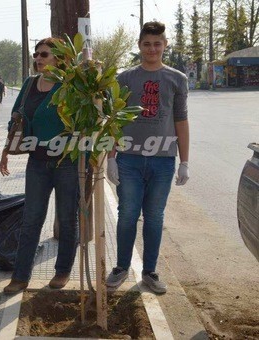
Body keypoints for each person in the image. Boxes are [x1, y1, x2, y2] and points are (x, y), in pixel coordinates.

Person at [105, 21, 190, 294]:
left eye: (157, 43)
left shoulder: (177, 79)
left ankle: (150, 272)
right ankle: (120, 267)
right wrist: (110, 155)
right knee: (127, 214)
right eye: (147, 44)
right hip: (128, 159)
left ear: (165, 45)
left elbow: (181, 120)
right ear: (139, 46)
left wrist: (185, 161)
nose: (152, 49)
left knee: (154, 216)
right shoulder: (125, 79)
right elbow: (115, 119)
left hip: (163, 160)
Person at [0, 38, 79, 295]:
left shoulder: (71, 85)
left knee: (67, 218)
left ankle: (63, 269)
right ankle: (21, 276)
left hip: (67, 161)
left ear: (58, 58)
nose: (38, 58)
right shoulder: (30, 83)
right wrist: (5, 149)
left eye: (44, 54)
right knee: (31, 218)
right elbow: (16, 115)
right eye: (36, 54)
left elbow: (87, 118)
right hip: (37, 161)